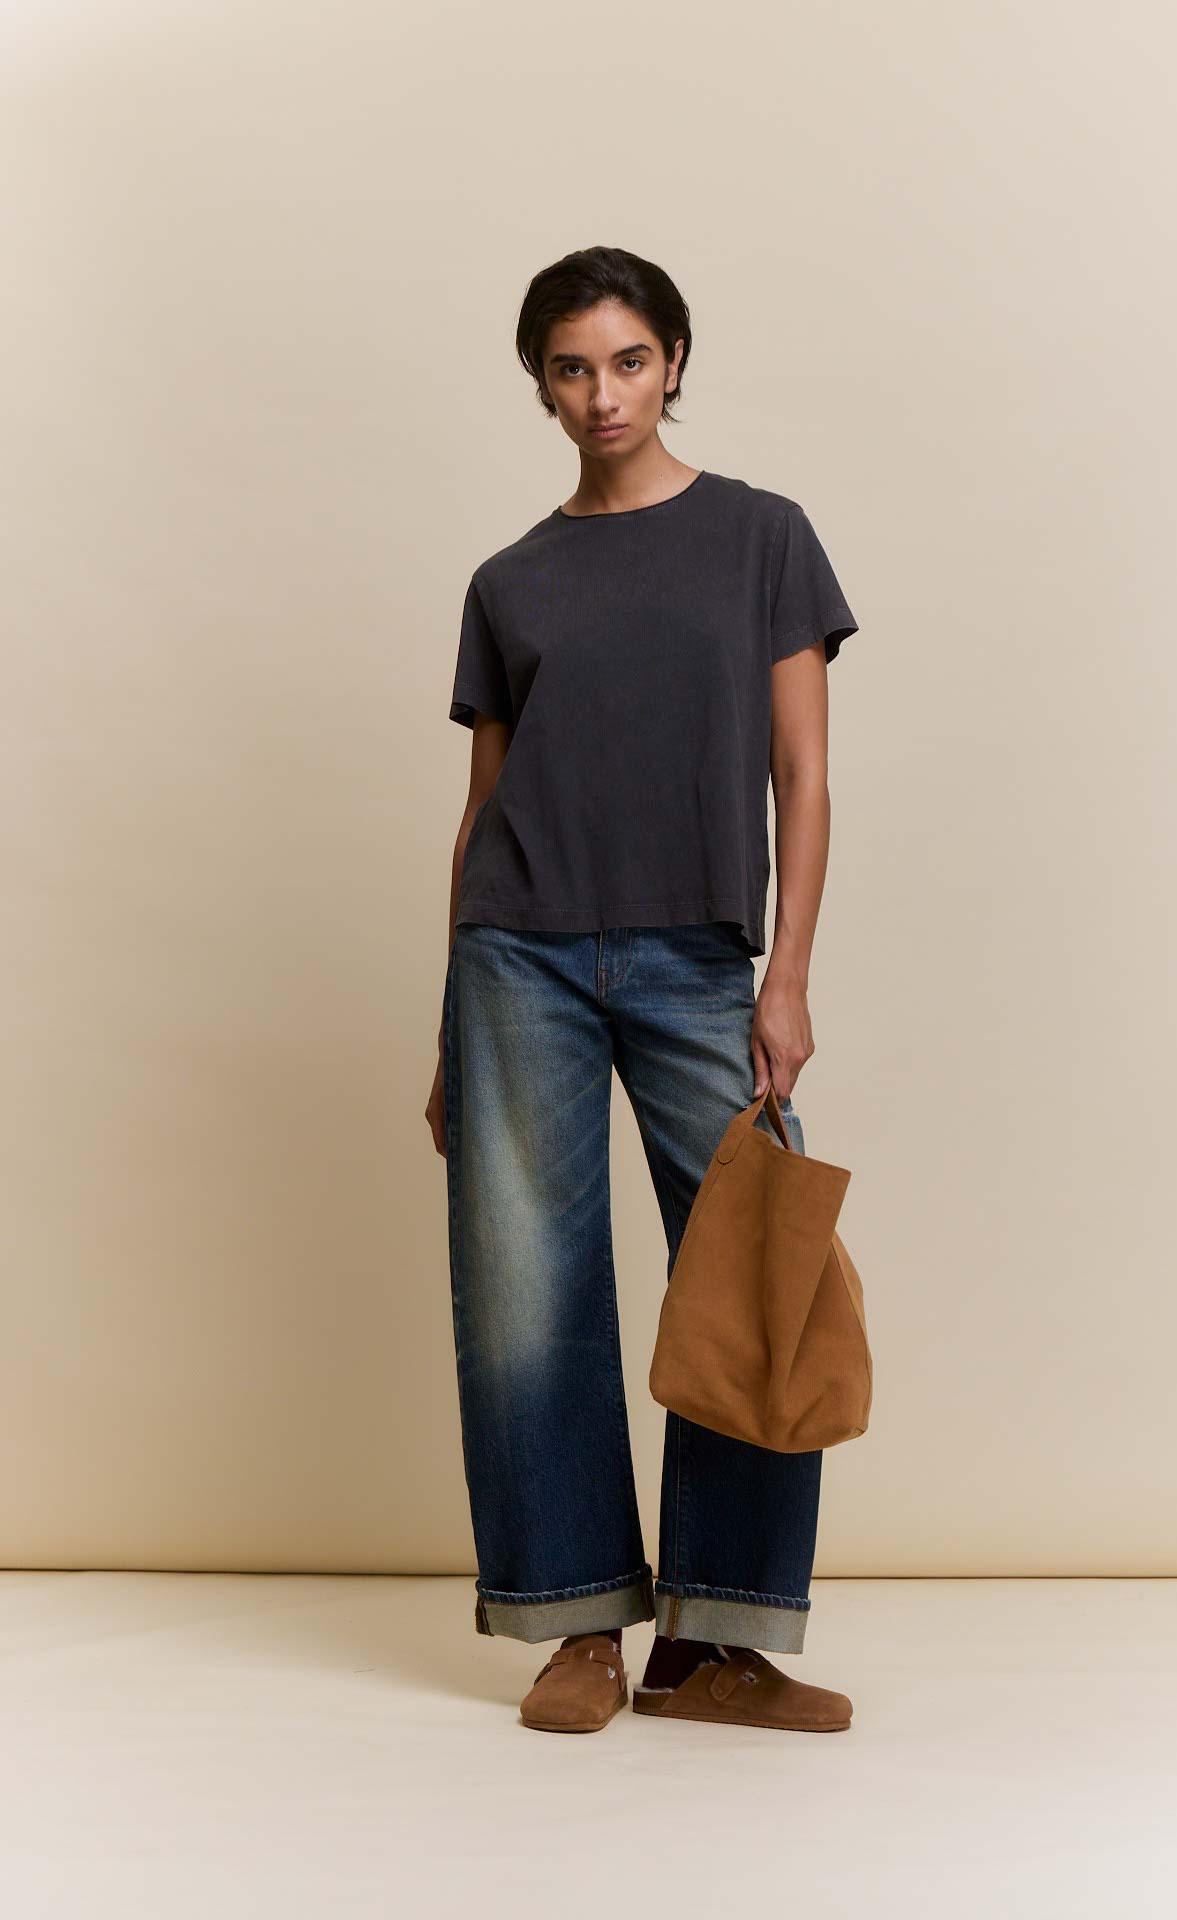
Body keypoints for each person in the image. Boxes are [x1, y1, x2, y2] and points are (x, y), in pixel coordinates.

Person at [424, 245, 860, 1735]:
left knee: (753, 1274)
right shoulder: (510, 582)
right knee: (526, 1297)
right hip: (516, 958)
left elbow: (802, 772)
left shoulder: (761, 538)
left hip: (697, 956)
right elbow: (482, 812)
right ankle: (575, 1628)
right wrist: (448, 1025)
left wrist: (785, 974)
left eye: (626, 360)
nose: (601, 393)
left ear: (673, 361)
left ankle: (718, 1646)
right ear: (540, 385)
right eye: (570, 367)